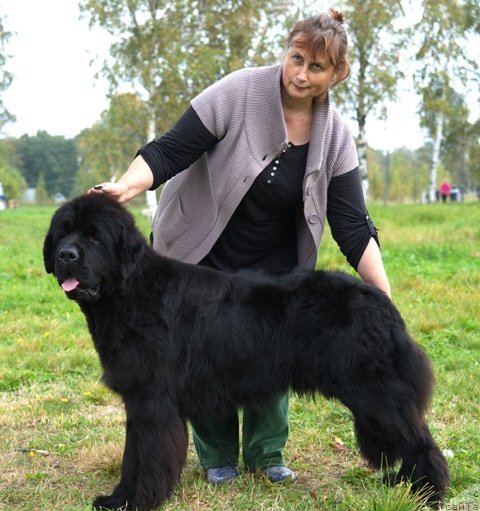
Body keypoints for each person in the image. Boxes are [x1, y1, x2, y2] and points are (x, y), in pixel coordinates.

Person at [89, 8, 391, 486]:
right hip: (200, 248)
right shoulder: (237, 93)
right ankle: (217, 459)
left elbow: (352, 225)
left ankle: (267, 454)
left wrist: (382, 294)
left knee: (272, 351)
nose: (301, 74)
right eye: (296, 59)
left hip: (273, 262)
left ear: (338, 74)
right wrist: (125, 189)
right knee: (201, 354)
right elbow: (169, 150)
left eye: (316, 67)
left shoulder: (336, 138)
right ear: (286, 52)